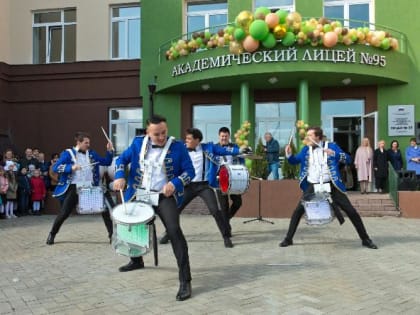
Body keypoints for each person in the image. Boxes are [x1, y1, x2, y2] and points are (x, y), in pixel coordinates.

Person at [113, 115, 195, 301]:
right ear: (148, 133)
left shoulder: (178, 147)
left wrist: (175, 183)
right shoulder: (137, 143)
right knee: (130, 226)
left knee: (174, 231)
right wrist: (119, 176)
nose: (161, 137)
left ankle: (185, 280)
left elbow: (190, 172)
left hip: (164, 196)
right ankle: (136, 260)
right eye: (156, 134)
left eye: (164, 133)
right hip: (141, 193)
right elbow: (120, 160)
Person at [279, 126, 378, 249]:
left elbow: (348, 159)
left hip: (331, 184)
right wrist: (289, 155)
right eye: (307, 135)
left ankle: (365, 239)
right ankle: (288, 239)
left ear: (318, 137)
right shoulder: (306, 150)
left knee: (351, 211)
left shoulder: (331, 146)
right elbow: (294, 161)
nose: (307, 138)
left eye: (310, 135)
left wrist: (335, 154)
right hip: (312, 185)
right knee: (298, 211)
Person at [160, 127, 248, 248]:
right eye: (186, 138)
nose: (186, 140)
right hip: (188, 186)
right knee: (175, 210)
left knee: (215, 211)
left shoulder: (208, 148)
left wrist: (240, 149)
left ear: (197, 140)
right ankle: (169, 234)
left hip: (204, 186)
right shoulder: (181, 147)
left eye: (189, 138)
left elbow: (226, 150)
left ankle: (226, 237)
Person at [46, 131, 114, 245]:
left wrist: (109, 150)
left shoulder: (92, 153)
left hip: (91, 186)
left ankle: (112, 236)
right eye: (86, 143)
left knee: (105, 210)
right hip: (75, 187)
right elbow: (55, 168)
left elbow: (107, 162)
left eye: (89, 143)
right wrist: (71, 167)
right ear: (78, 142)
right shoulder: (68, 153)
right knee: (64, 213)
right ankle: (52, 233)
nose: (88, 145)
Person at [214, 127, 244, 236]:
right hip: (219, 179)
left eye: (226, 136)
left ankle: (226, 220)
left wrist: (242, 168)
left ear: (229, 136)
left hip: (233, 178)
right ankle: (227, 231)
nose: (224, 138)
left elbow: (241, 159)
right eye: (222, 136)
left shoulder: (234, 147)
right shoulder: (215, 147)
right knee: (224, 206)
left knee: (238, 202)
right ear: (219, 136)